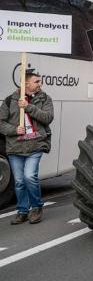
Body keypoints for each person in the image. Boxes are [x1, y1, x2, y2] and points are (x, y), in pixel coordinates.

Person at [0, 70, 54, 224]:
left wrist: (28, 107)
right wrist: (14, 130)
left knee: (30, 176)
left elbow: (48, 118)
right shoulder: (10, 100)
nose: (40, 84)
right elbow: (0, 122)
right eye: (36, 81)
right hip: (15, 147)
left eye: (40, 81)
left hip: (35, 144)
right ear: (26, 84)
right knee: (19, 181)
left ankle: (36, 207)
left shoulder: (45, 98)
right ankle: (22, 210)